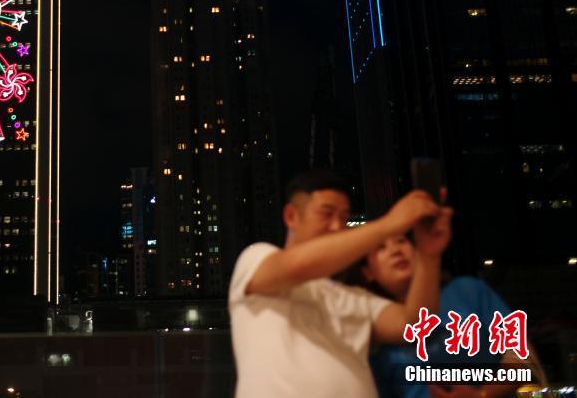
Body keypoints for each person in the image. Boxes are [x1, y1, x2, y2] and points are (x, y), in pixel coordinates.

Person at [229, 170, 453, 398]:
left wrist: (428, 255)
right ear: (291, 216)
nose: (337, 226)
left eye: (344, 218)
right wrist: (391, 224)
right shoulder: (256, 258)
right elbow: (297, 266)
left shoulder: (355, 297)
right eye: (326, 214)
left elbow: (413, 326)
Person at [358, 234, 546, 398]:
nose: (395, 250)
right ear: (368, 272)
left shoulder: (467, 291)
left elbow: (523, 358)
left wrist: (482, 394)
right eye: (380, 247)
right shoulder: (374, 329)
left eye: (401, 241)